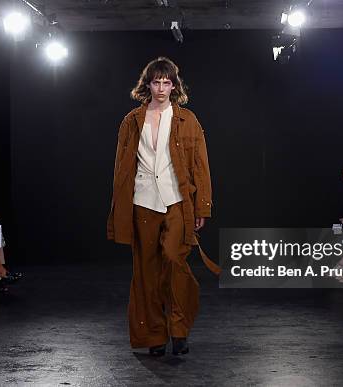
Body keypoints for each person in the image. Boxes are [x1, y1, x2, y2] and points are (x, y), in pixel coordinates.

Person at [107, 57, 219, 357]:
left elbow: (200, 166)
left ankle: (179, 330)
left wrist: (202, 208)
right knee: (146, 271)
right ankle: (155, 335)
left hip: (176, 200)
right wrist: (118, 210)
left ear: (174, 85)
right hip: (142, 200)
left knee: (174, 260)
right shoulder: (131, 120)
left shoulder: (188, 119)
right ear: (148, 84)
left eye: (166, 82)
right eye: (156, 82)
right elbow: (121, 168)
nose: (160, 88)